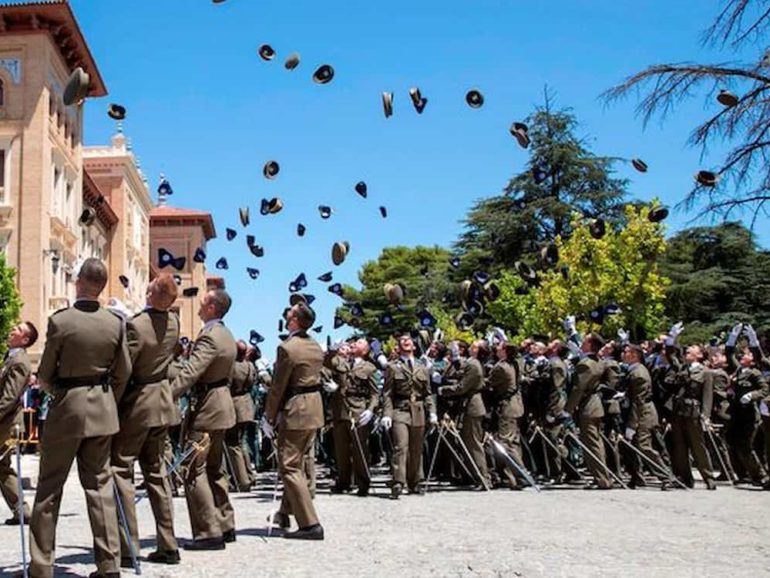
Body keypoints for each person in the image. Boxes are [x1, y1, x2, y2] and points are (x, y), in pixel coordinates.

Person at [30, 258, 132, 578]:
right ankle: (109, 563)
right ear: (101, 286)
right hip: (102, 408)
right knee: (100, 487)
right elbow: (124, 372)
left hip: (67, 408)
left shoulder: (61, 321)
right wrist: (105, 398)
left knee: (49, 487)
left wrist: (57, 393)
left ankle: (42, 565)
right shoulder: (115, 323)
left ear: (78, 282)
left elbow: (45, 374)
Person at [111, 273, 181, 566]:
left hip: (138, 404)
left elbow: (124, 370)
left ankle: (129, 547)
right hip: (162, 403)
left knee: (121, 469)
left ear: (151, 294)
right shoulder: (174, 323)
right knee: (156, 473)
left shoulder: (136, 326)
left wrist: (111, 402)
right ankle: (168, 544)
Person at [171, 289, 238, 550]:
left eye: (202, 302)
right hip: (222, 406)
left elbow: (191, 372)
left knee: (193, 469)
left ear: (211, 307)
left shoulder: (209, 337)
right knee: (214, 468)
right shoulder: (226, 334)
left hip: (208, 409)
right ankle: (225, 522)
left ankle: (208, 532)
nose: (198, 305)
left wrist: (167, 395)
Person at [264, 300, 325, 540]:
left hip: (296, 409)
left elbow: (278, 386)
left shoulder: (288, 348)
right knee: (297, 463)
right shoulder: (314, 346)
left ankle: (310, 524)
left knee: (288, 465)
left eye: (289, 315)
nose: (286, 316)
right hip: (314, 408)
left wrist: (269, 416)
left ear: (295, 321)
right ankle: (285, 511)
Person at [383, 334, 437, 499]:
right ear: (398, 347)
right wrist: (387, 414)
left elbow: (428, 393)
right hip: (401, 409)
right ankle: (398, 482)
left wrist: (432, 412)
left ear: (414, 346)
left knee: (417, 448)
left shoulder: (422, 367)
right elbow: (387, 394)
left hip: (419, 410)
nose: (406, 342)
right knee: (401, 446)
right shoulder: (393, 367)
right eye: (402, 341)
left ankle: (415, 481)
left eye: (409, 341)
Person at [663, 336, 716, 490]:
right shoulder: (682, 368)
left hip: (693, 412)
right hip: (678, 411)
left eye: (692, 349)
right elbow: (671, 355)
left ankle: (708, 477)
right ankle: (685, 478)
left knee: (698, 446)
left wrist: (706, 416)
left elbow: (707, 396)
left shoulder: (705, 372)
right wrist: (672, 340)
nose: (687, 351)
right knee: (679, 446)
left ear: (699, 355)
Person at [438, 340, 490, 488]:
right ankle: (476, 476)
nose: (470, 348)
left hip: (473, 406)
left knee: (473, 444)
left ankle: (483, 478)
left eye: (474, 346)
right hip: (467, 405)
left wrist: (443, 390)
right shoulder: (471, 363)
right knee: (468, 443)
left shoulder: (474, 365)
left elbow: (462, 387)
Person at [0, 321, 37, 524]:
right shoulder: (11, 357)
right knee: (3, 468)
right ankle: (22, 511)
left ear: (25, 339)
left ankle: (22, 510)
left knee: (3, 467)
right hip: (5, 425)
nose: (11, 329)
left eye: (17, 329)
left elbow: (9, 397)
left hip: (8, 427)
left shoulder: (20, 361)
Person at [565, 332, 613, 489]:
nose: (581, 343)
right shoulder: (598, 361)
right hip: (594, 405)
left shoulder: (585, 363)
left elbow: (578, 388)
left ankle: (601, 479)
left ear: (590, 345)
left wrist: (568, 409)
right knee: (595, 442)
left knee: (592, 443)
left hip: (588, 407)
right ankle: (600, 476)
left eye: (584, 341)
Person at [621, 344, 669, 489]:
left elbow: (638, 401)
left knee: (643, 446)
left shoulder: (639, 374)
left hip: (644, 414)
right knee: (633, 445)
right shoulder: (634, 370)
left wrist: (631, 425)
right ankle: (636, 477)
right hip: (639, 411)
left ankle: (665, 475)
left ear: (634, 355)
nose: (623, 354)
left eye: (626, 352)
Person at [486, 339, 525, 489]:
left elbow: (488, 383)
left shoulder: (500, 367)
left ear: (505, 351)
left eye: (499, 348)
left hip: (507, 406)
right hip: (516, 405)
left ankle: (521, 474)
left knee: (506, 443)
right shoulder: (515, 363)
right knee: (514, 442)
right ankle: (513, 479)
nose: (496, 349)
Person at [226, 340, 258, 492]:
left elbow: (228, 385)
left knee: (233, 444)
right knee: (242, 442)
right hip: (247, 403)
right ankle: (249, 475)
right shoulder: (250, 366)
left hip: (234, 404)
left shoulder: (232, 366)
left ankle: (241, 480)